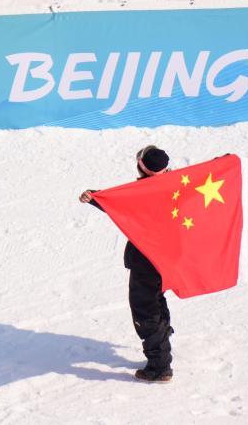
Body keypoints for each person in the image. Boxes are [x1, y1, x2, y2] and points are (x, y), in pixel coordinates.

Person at [78, 145, 174, 383]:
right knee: (157, 300)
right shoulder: (179, 185)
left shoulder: (141, 192)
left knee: (146, 309)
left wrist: (94, 196)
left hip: (146, 262)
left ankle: (160, 366)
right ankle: (163, 341)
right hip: (170, 258)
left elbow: (119, 203)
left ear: (141, 168)